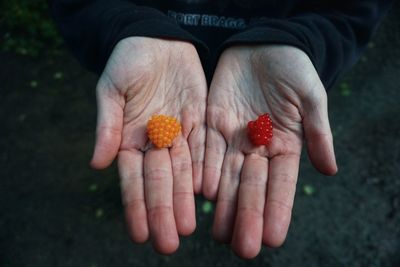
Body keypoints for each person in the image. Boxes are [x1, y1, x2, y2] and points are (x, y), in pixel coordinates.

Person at [51, 0, 392, 259]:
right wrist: (127, 27)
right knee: (147, 163)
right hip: (150, 84)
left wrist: (302, 39)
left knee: (213, 168)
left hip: (259, 83)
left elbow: (354, 9)